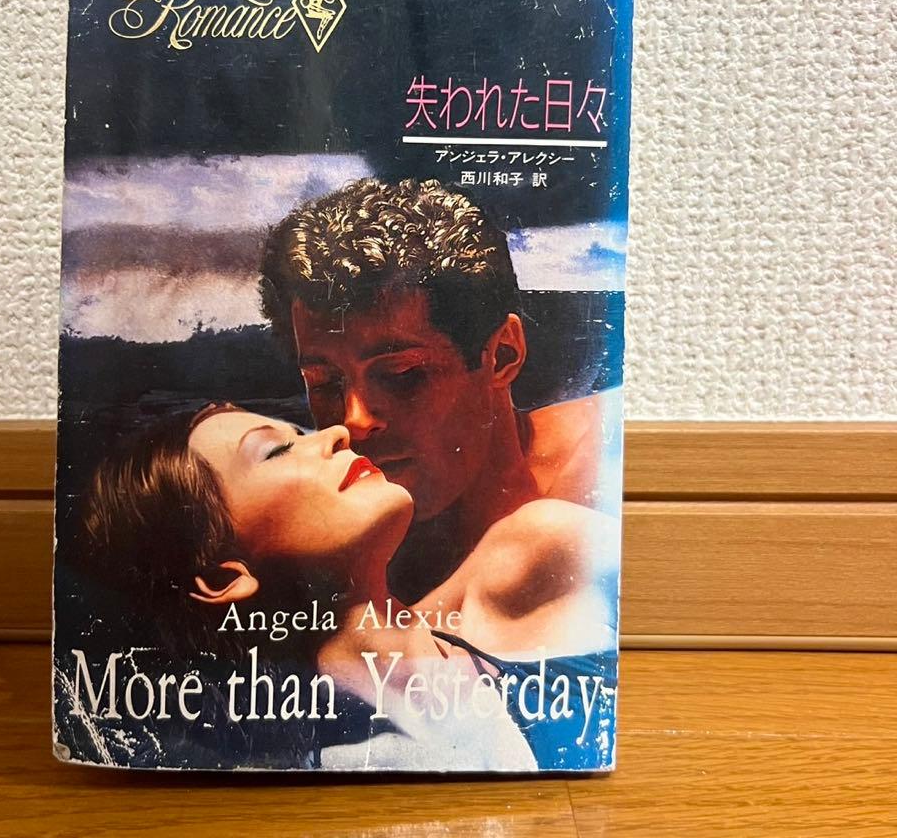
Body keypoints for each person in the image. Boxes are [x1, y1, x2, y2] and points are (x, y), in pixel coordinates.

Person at [77, 404, 618, 771]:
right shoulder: (294, 772)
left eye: (298, 431)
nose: (335, 433)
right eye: (274, 450)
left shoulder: (539, 558)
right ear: (225, 578)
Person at [259, 177, 622, 600]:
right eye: (324, 384)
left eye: (402, 375)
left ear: (502, 355)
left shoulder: (610, 463)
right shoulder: (311, 524)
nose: (353, 421)